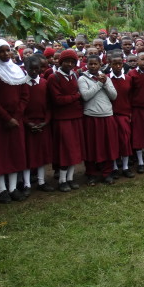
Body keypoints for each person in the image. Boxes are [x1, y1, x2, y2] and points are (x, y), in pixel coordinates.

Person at [0, 40, 30, 203]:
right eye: (1, 52)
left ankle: (13, 187)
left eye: (7, 50)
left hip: (16, 120)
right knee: (0, 154)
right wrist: (6, 118)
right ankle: (2, 188)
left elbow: (24, 95)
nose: (5, 54)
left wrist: (16, 116)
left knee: (15, 153)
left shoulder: (18, 70)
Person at [78, 54, 119, 186]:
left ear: (100, 65)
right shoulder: (82, 79)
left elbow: (114, 96)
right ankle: (91, 174)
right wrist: (98, 84)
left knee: (108, 145)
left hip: (107, 115)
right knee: (91, 146)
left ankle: (107, 173)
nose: (93, 66)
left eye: (96, 64)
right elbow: (85, 96)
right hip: (91, 116)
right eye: (91, 64)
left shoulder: (106, 78)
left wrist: (105, 83)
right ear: (87, 65)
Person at [47, 49, 84, 191]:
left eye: (72, 62)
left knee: (74, 149)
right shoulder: (54, 77)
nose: (69, 64)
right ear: (60, 62)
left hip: (75, 117)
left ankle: (70, 178)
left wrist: (75, 98)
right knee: (65, 150)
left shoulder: (74, 75)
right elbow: (57, 100)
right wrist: (75, 96)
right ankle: (62, 180)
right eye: (67, 61)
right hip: (62, 119)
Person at [21, 55, 56, 195]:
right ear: (26, 68)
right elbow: (19, 107)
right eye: (31, 69)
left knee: (42, 154)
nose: (34, 72)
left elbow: (49, 105)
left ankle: (41, 181)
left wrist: (45, 121)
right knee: (27, 154)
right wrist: (27, 122)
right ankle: (27, 184)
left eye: (37, 69)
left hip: (42, 124)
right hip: (27, 124)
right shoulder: (21, 83)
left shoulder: (44, 83)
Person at [108, 52, 135, 179]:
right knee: (113, 142)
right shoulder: (107, 79)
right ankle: (114, 167)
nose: (118, 66)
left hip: (124, 114)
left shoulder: (128, 79)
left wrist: (130, 113)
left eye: (120, 64)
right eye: (115, 64)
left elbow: (131, 97)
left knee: (125, 141)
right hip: (110, 115)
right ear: (110, 65)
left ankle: (125, 167)